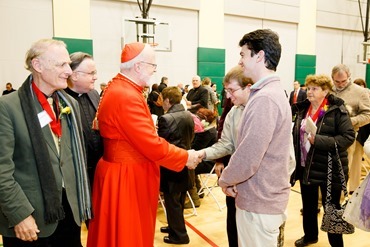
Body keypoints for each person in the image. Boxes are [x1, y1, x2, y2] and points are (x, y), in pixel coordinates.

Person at [86, 42, 201, 247]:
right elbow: (150, 144)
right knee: (127, 235)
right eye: (152, 66)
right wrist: (185, 157)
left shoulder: (120, 88)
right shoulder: (127, 95)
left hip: (122, 172)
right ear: (138, 66)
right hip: (126, 177)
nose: (154, 71)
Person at [0, 39, 91, 247]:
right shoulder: (7, 108)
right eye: (61, 65)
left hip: (69, 216)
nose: (69, 71)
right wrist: (20, 215)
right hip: (30, 221)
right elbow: (2, 171)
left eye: (68, 64)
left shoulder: (71, 105)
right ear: (38, 66)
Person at [215, 29, 292, 246]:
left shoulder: (265, 98)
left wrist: (225, 179)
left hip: (260, 204)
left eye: (243, 54)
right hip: (261, 200)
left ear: (259, 56)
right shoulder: (269, 93)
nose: (240, 61)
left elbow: (248, 157)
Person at [290, 74, 355, 247]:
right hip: (307, 166)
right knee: (309, 206)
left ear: (325, 91)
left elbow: (348, 137)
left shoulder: (337, 110)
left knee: (331, 209)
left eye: (314, 89)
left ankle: (336, 244)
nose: (309, 92)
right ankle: (310, 236)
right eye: (308, 88)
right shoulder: (303, 109)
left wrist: (318, 140)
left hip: (330, 168)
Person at [199, 66, 253, 247]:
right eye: (226, 91)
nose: (228, 97)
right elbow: (226, 144)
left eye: (232, 91)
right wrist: (202, 154)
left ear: (248, 87)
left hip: (258, 190)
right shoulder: (234, 112)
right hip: (237, 178)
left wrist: (226, 180)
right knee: (235, 222)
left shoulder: (262, 110)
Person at [157, 86, 194, 245]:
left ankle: (179, 235)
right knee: (178, 200)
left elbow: (162, 144)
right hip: (185, 160)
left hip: (171, 163)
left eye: (161, 100)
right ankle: (174, 227)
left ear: (167, 100)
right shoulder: (188, 115)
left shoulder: (165, 119)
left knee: (172, 201)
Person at [65, 52, 103, 188]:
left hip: (99, 168)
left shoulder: (94, 94)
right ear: (74, 75)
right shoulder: (60, 99)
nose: (95, 77)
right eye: (91, 73)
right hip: (77, 173)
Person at [331, 64, 370, 193]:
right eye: (337, 81)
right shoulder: (328, 90)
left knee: (342, 171)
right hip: (326, 136)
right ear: (332, 78)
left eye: (343, 81)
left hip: (348, 137)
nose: (340, 84)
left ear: (349, 77)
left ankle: (339, 202)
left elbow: (368, 115)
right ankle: (320, 201)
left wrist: (348, 122)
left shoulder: (360, 92)